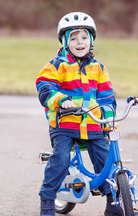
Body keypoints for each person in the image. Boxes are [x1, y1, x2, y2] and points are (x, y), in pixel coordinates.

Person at [36, 12, 120, 216]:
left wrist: (108, 113)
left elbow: (106, 96)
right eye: (73, 38)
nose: (79, 42)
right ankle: (47, 200)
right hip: (64, 124)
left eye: (84, 37)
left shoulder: (98, 68)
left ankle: (114, 203)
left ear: (91, 40)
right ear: (65, 42)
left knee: (105, 158)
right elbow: (45, 86)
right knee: (61, 159)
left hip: (92, 124)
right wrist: (61, 101)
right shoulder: (57, 65)